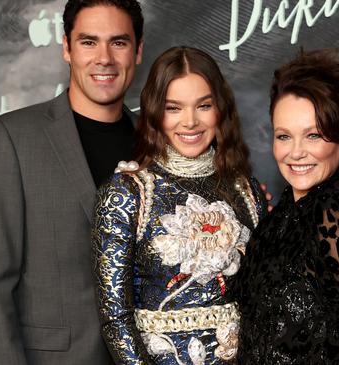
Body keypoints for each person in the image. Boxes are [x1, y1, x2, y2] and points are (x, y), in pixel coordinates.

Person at [0, 1, 143, 363]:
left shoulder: (157, 146)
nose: (104, 58)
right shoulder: (11, 138)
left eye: (119, 42)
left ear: (138, 51)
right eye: (89, 42)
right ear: (66, 48)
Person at [92, 46, 268, 364]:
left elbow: (263, 303)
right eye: (174, 108)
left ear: (220, 109)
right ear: (155, 112)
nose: (190, 122)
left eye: (203, 106)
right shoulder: (128, 192)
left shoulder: (246, 189)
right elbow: (115, 318)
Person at [235, 49, 339, 365]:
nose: (296, 152)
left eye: (313, 135)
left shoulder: (336, 209)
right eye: (284, 136)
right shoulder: (282, 215)